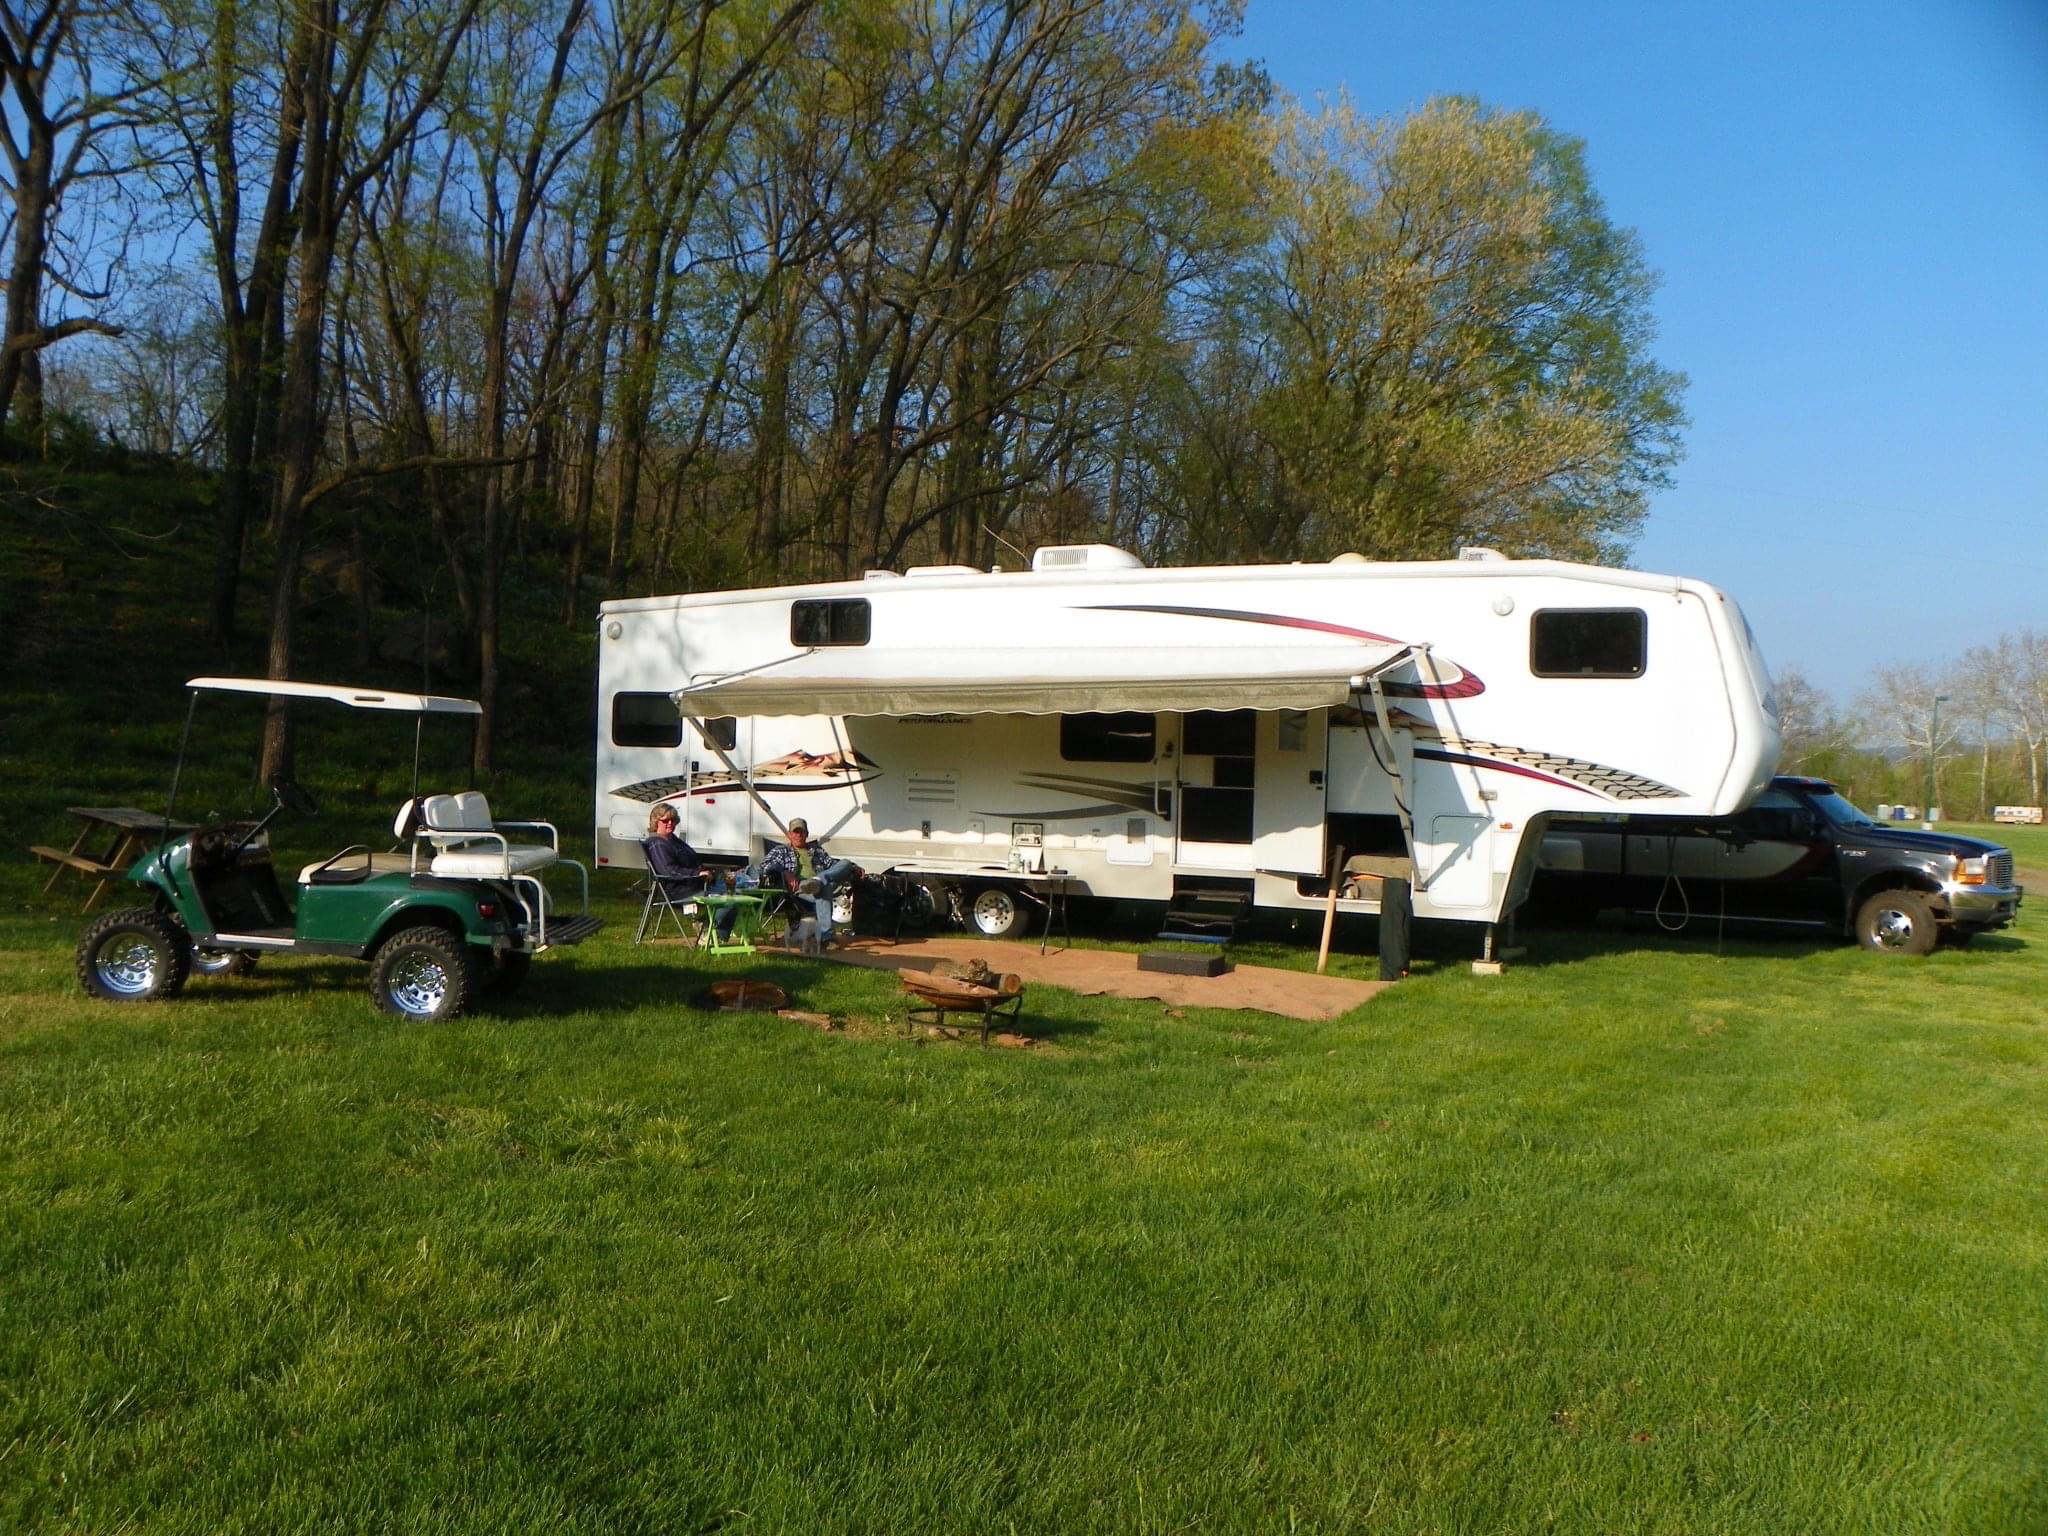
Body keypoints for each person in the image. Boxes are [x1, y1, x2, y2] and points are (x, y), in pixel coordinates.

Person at [759, 817, 858, 948]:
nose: (799, 835)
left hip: (820, 882)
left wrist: (854, 867)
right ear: (789, 834)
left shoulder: (816, 850)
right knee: (825, 888)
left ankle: (819, 879)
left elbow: (832, 864)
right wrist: (784, 871)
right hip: (800, 888)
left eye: (802, 832)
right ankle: (826, 937)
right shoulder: (781, 851)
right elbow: (764, 866)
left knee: (845, 863)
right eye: (795, 832)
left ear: (807, 834)